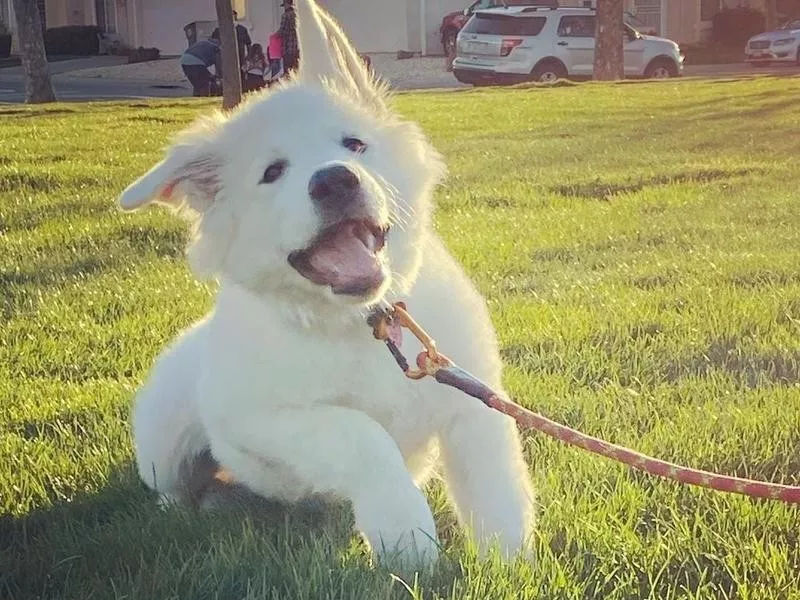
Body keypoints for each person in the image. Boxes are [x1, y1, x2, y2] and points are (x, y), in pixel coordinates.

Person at [180, 30, 222, 97]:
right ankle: (205, 100)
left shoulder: (205, 42)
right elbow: (218, 63)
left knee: (197, 85)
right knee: (205, 84)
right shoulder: (218, 46)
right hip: (196, 61)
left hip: (184, 60)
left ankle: (196, 100)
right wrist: (218, 74)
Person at [278, 0, 299, 75]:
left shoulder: (285, 15)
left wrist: (275, 35)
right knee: (295, 70)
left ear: (286, 3)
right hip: (296, 48)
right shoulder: (296, 15)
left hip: (287, 48)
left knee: (287, 72)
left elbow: (283, 31)